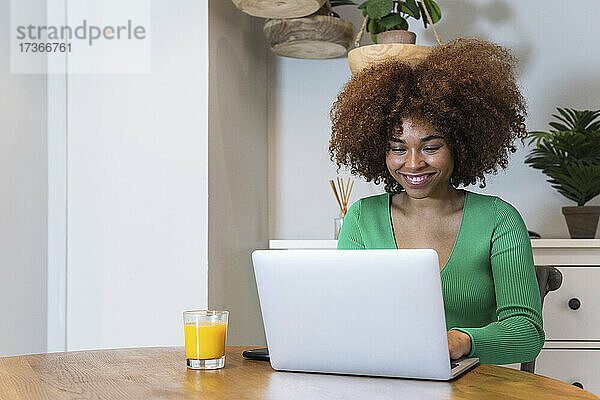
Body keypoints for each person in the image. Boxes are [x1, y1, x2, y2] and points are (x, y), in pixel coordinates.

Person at [329, 39, 544, 365]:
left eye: (431, 147)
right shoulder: (362, 218)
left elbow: (526, 334)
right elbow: (343, 317)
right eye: (398, 148)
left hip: (472, 385)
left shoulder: (498, 219)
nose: (413, 164)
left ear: (461, 144)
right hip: (386, 378)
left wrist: (461, 341)